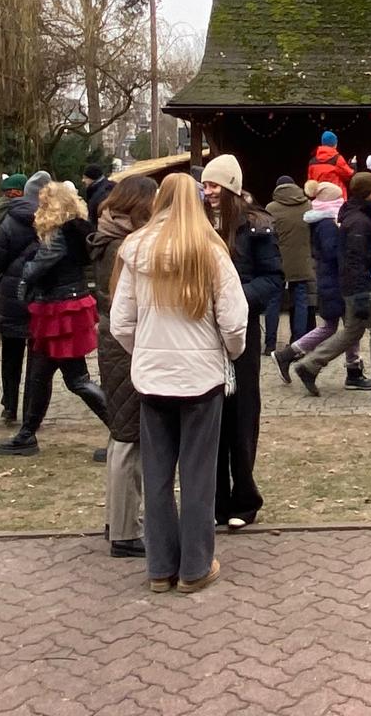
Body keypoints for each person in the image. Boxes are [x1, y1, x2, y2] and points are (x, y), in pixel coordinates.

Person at [112, 172, 247, 594]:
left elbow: (121, 323)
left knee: (156, 475)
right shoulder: (210, 251)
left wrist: (145, 353)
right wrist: (231, 352)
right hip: (201, 378)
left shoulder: (135, 250)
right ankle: (195, 567)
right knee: (198, 475)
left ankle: (160, 567)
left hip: (153, 379)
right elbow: (234, 321)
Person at [0, 182, 109, 456]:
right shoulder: (74, 230)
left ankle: (124, 434)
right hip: (60, 305)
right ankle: (27, 434)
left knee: (76, 379)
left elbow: (39, 266)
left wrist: (24, 269)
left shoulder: (60, 234)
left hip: (60, 308)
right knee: (39, 374)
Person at [202, 154, 282, 528]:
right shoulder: (197, 222)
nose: (208, 191)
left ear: (230, 187)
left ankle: (244, 497)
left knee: (242, 411)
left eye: (214, 185)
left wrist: (234, 299)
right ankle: (216, 499)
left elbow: (273, 279)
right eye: (205, 184)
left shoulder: (256, 226)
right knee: (209, 412)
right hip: (203, 331)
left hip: (241, 327)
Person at [295, 172, 371, 404]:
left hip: (356, 285)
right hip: (363, 286)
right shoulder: (359, 221)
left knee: (352, 331)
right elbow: (354, 260)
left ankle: (309, 365)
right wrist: (361, 293)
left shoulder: (355, 215)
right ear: (367, 191)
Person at [91, 175, 157, 559]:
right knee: (129, 436)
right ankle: (126, 530)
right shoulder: (123, 245)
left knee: (122, 433)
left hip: (113, 340)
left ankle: (117, 519)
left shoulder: (108, 237)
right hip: (124, 344)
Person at [272, 182, 371, 390]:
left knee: (332, 327)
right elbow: (332, 252)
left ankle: (288, 354)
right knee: (351, 327)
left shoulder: (322, 222)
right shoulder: (327, 225)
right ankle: (353, 370)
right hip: (335, 282)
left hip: (329, 281)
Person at [0, 172, 50, 424]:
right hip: (40, 293)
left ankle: (9, 405)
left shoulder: (10, 220)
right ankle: (31, 408)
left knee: (11, 354)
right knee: (37, 355)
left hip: (12, 291)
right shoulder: (52, 220)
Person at [263, 176, 314, 354]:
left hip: (277, 260)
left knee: (273, 302)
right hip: (301, 259)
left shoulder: (271, 208)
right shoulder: (307, 205)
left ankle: (270, 344)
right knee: (300, 301)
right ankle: (298, 344)